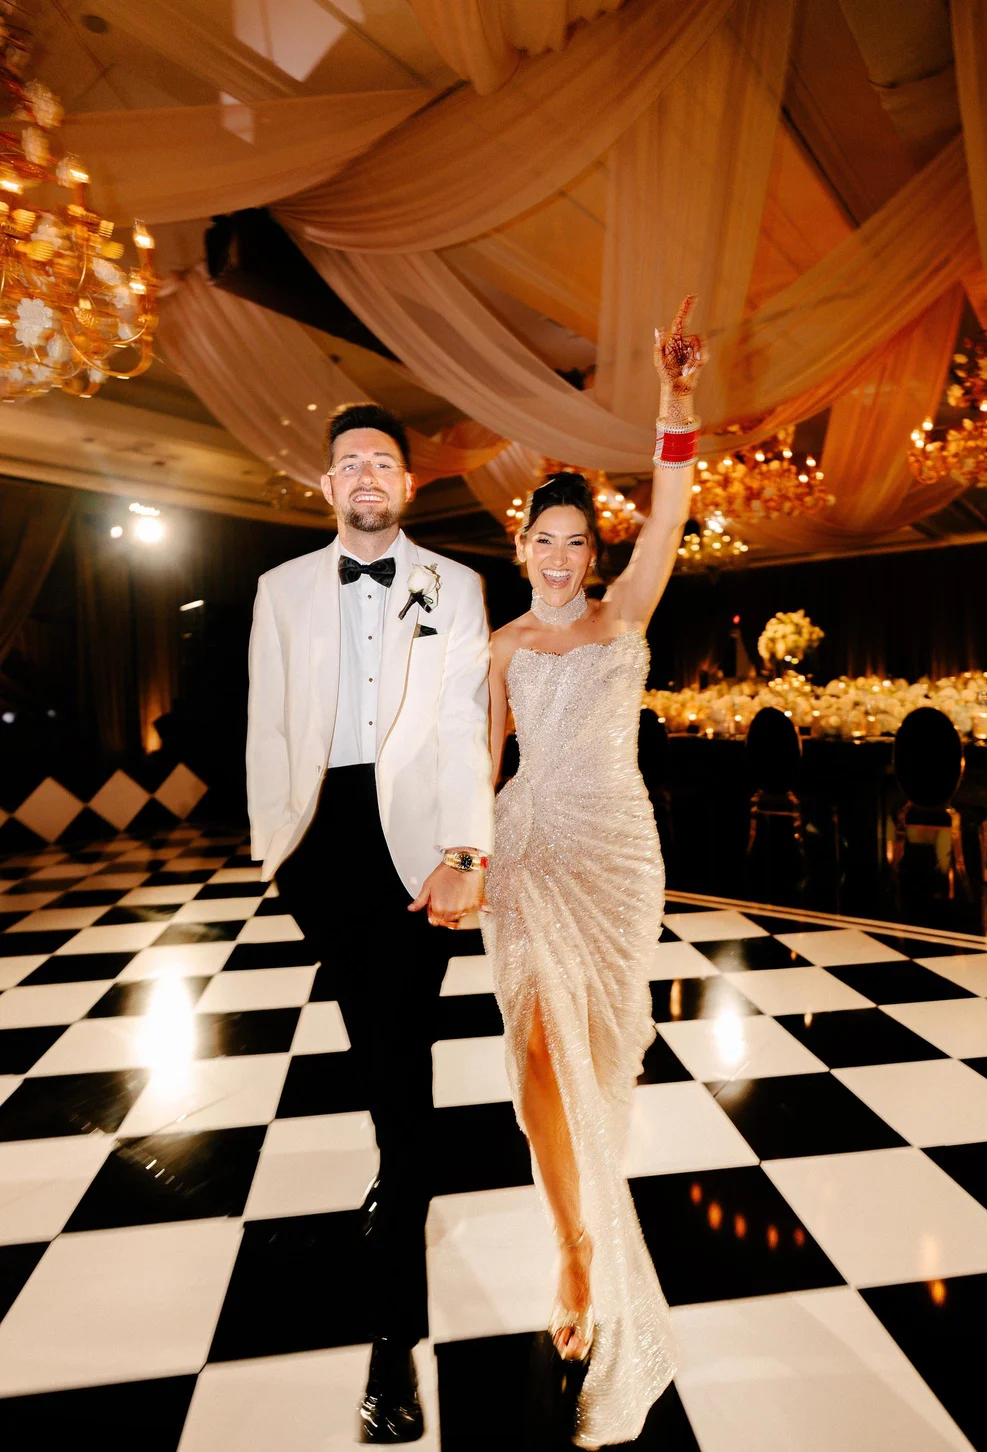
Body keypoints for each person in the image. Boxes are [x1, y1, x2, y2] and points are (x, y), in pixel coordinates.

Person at [246, 403, 494, 1444]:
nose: (363, 475)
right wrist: (277, 850)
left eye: (381, 462)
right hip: (322, 845)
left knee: (402, 1061)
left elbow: (464, 721)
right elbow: (267, 720)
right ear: (326, 485)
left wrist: (465, 853)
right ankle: (401, 1171)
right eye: (347, 462)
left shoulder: (455, 584)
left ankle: (395, 1345)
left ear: (407, 484)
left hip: (416, 847)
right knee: (382, 1049)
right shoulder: (281, 588)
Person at [483, 300, 703, 1447]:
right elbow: (476, 773)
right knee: (533, 1054)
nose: (561, 556)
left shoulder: (624, 618)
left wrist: (673, 406)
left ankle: (581, 1233)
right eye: (545, 540)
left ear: (592, 555)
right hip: (526, 852)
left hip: (613, 857)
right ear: (521, 548)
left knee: (595, 1060)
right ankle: (574, 1250)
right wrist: (461, 862)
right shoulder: (502, 649)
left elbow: (670, 509)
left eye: (576, 541)